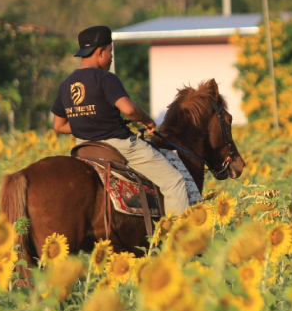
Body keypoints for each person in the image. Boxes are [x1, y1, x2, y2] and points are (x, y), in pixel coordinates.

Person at [51, 25, 190, 216]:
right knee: (174, 180)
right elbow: (129, 110)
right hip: (119, 147)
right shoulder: (105, 78)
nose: (111, 56)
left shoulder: (66, 84)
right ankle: (179, 238)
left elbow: (58, 126)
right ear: (100, 52)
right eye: (110, 51)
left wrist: (85, 123)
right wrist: (147, 120)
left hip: (84, 147)